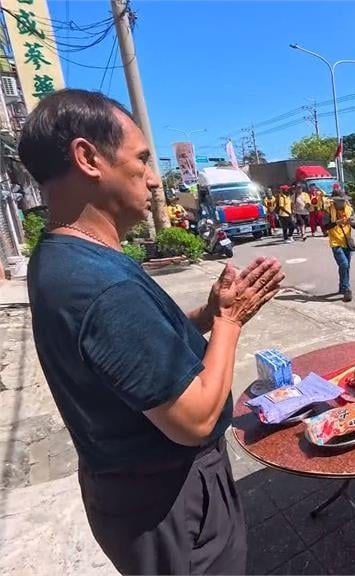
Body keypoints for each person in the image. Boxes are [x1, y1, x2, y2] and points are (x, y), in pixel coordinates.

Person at [22, 89, 285, 574]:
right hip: (170, 503)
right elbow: (195, 420)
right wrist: (231, 321)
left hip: (131, 492)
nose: (155, 178)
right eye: (142, 159)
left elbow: (131, 354)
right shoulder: (96, 284)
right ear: (88, 158)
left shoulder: (62, 256)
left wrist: (206, 316)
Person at [325, 194, 355, 302]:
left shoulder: (349, 209)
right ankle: (346, 288)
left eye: (343, 201)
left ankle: (342, 286)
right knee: (344, 264)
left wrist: (350, 222)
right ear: (334, 201)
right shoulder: (328, 210)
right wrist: (336, 223)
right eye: (339, 201)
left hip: (346, 241)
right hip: (335, 241)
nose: (341, 203)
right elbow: (325, 226)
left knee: (346, 266)